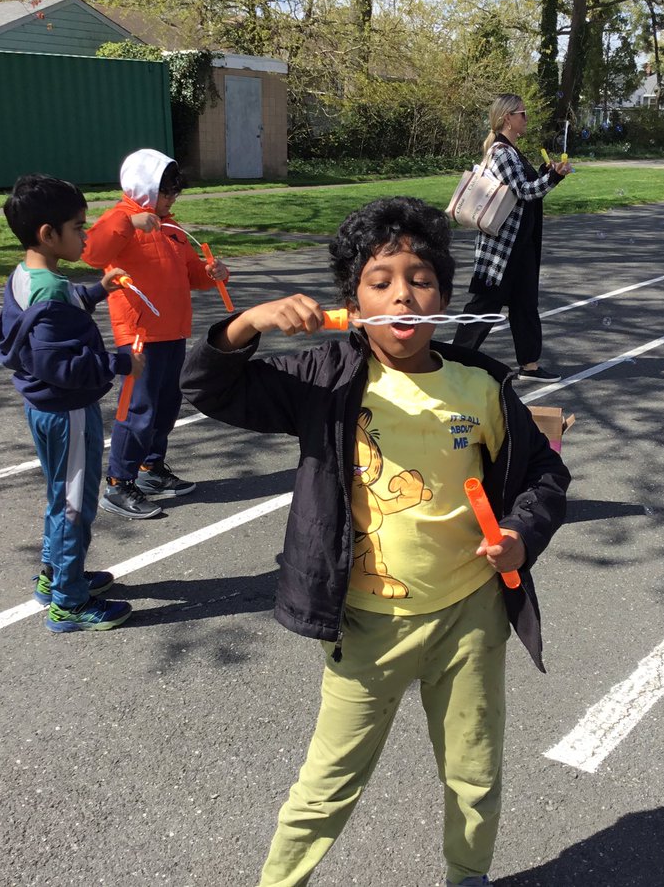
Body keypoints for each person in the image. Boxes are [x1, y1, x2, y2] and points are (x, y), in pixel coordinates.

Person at [180, 196, 570, 887]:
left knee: (474, 771)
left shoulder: (478, 385)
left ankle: (468, 875)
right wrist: (246, 324)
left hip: (469, 617)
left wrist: (519, 534)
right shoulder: (324, 380)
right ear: (352, 300)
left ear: (443, 293)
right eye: (380, 279)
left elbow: (545, 470)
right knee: (326, 784)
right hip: (366, 623)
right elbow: (211, 389)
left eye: (419, 278)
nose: (402, 295)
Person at [0, 174, 136, 632]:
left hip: (45, 410)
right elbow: (64, 367)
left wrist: (100, 290)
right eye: (79, 227)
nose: (86, 235)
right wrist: (119, 363)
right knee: (76, 504)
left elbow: (61, 304)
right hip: (68, 412)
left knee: (61, 496)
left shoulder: (29, 277)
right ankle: (69, 603)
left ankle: (55, 574)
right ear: (47, 234)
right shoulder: (50, 291)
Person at [83, 148, 230, 520]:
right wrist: (131, 223)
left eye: (174, 194)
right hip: (139, 333)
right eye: (167, 193)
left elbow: (191, 275)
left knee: (166, 406)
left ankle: (150, 468)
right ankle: (119, 483)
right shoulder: (121, 218)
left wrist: (213, 274)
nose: (171, 199)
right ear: (147, 189)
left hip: (172, 331)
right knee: (138, 408)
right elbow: (92, 253)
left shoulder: (171, 229)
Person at [451, 93, 573, 383]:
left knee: (525, 304)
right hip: (503, 247)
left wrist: (546, 172)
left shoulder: (512, 150)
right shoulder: (501, 151)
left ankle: (529, 365)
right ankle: (453, 362)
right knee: (485, 305)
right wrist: (554, 178)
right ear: (508, 118)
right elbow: (525, 191)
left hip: (521, 243)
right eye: (523, 113)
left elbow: (526, 185)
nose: (526, 118)